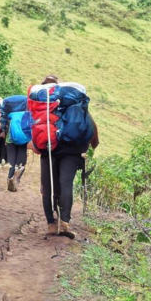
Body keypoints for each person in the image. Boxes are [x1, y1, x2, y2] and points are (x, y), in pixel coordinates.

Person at [36, 75, 99, 239]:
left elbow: (33, 129)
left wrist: (36, 146)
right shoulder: (76, 106)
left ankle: (51, 224)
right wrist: (90, 148)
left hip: (48, 150)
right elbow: (93, 131)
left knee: (48, 187)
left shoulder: (43, 107)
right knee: (66, 184)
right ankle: (64, 223)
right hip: (72, 152)